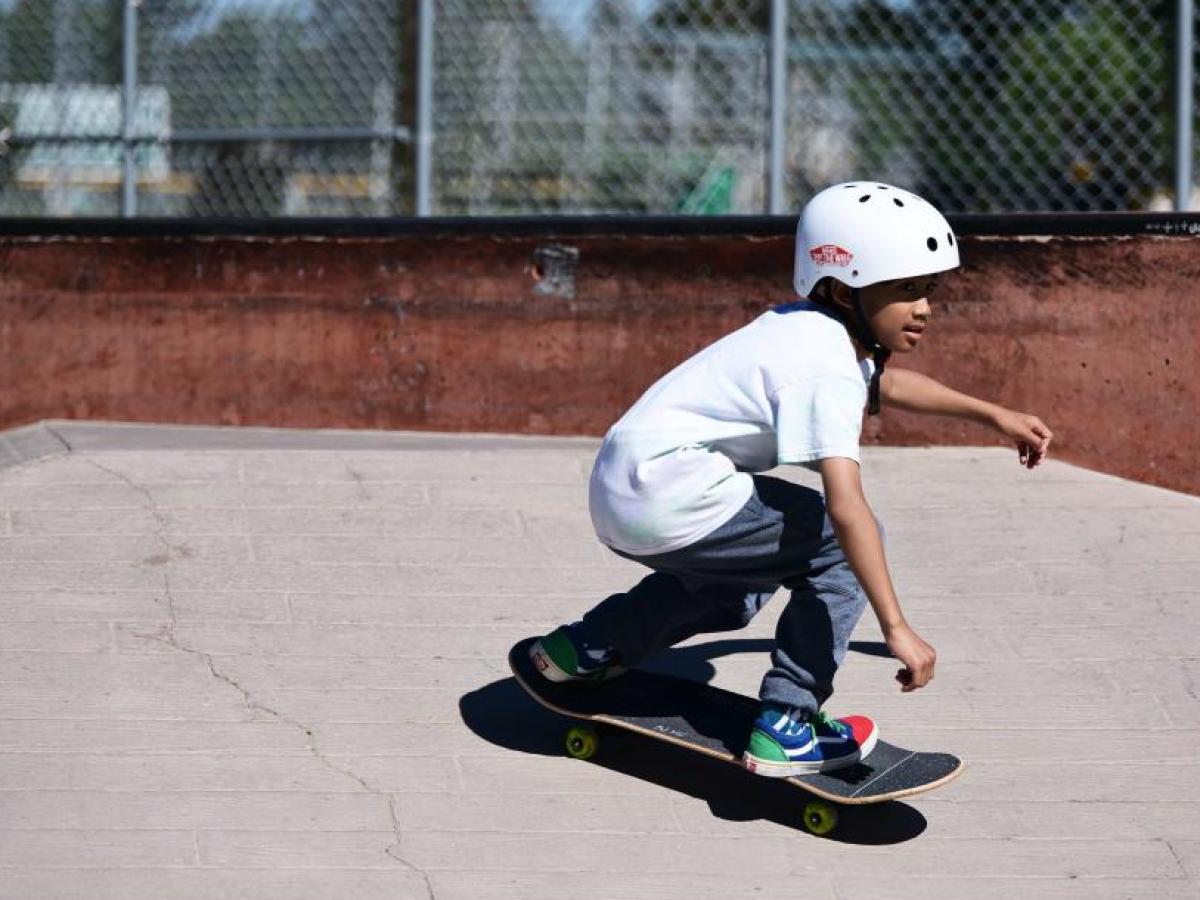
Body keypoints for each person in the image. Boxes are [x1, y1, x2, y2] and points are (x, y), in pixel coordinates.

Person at [529, 181, 1054, 776]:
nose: (925, 308)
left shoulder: (806, 328)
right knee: (839, 547)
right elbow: (846, 508)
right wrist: (897, 626)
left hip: (624, 489)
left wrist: (993, 415)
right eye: (906, 291)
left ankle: (581, 649)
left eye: (928, 290)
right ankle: (788, 723)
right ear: (841, 288)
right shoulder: (823, 365)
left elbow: (883, 386)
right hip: (676, 490)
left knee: (737, 587)